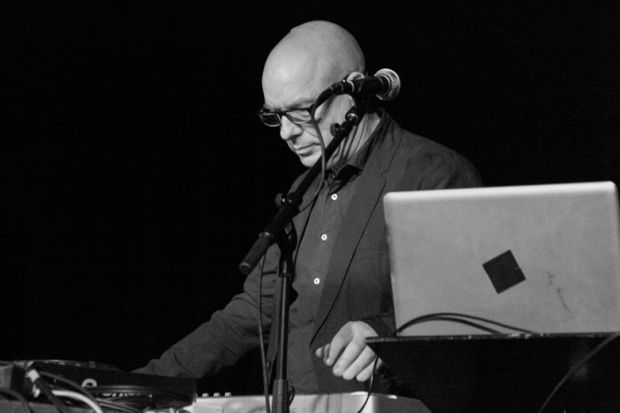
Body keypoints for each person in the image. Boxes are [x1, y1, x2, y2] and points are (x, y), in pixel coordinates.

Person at [135, 20, 481, 394]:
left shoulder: (431, 173)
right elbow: (252, 312)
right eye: (275, 116)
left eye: (302, 111)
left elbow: (474, 303)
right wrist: (141, 383)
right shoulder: (302, 193)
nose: (286, 132)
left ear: (353, 89)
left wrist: (387, 333)